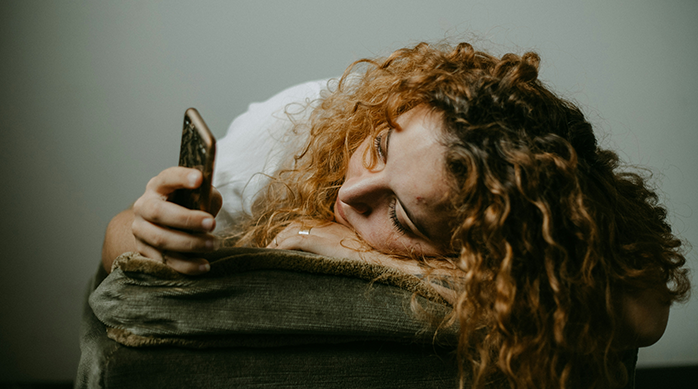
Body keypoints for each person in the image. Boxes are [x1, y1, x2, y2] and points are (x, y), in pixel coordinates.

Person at [102, 42, 690, 389]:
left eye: (404, 218)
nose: (353, 193)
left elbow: (642, 312)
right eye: (379, 150)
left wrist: (359, 255)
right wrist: (152, 224)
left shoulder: (518, 217)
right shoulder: (287, 131)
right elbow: (115, 245)